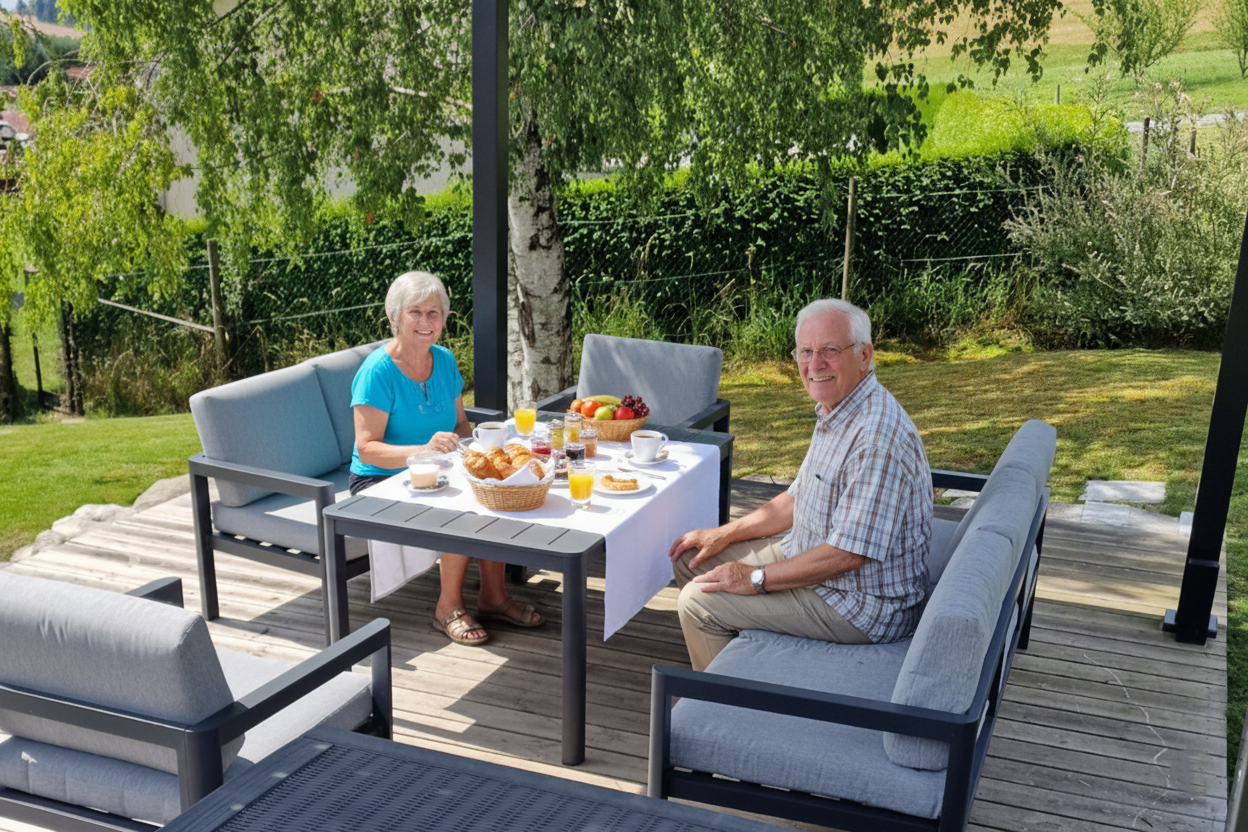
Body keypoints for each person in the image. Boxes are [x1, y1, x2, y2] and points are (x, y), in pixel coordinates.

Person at [668, 298, 932, 671]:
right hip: (809, 554)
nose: (815, 364)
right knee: (692, 558)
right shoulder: (838, 408)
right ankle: (740, 663)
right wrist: (725, 534)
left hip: (860, 604)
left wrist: (754, 579)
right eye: (806, 351)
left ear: (865, 355)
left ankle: (729, 713)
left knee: (699, 601)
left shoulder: (875, 438)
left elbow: (847, 555)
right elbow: (797, 498)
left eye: (830, 350)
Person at [350, 270, 544, 646]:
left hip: (437, 469)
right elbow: (366, 448)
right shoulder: (377, 372)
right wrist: (422, 450)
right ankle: (447, 607)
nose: (426, 322)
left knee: (495, 486)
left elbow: (459, 424)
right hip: (378, 480)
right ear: (394, 317)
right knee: (459, 505)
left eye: (434, 313)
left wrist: (480, 452)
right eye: (415, 312)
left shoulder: (444, 360)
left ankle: (493, 597)